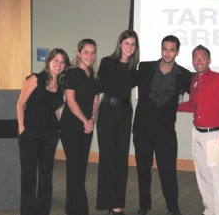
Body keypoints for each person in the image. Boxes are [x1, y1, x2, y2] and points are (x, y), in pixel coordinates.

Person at [132, 35, 191, 215]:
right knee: (143, 170)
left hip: (165, 131)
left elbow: (199, 96)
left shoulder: (184, 75)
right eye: (165, 49)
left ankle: (173, 208)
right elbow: (124, 81)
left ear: (177, 52)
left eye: (171, 49)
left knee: (168, 172)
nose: (167, 53)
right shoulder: (144, 68)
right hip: (142, 129)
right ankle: (144, 206)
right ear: (161, 49)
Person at [178, 44, 219, 215]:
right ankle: (211, 210)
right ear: (192, 61)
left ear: (209, 60)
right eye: (195, 58)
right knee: (203, 177)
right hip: (197, 134)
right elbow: (194, 106)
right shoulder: (195, 81)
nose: (198, 61)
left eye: (202, 57)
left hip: (215, 136)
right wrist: (176, 106)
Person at [17, 48, 70, 215]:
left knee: (46, 176)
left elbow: (54, 110)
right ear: (49, 61)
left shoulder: (60, 85)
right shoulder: (36, 79)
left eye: (62, 62)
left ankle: (42, 211)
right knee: (29, 177)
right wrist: (22, 128)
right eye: (56, 60)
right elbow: (20, 104)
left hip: (50, 135)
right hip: (30, 134)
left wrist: (58, 129)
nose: (59, 64)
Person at [96, 30, 140, 215]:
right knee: (107, 157)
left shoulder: (135, 70)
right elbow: (97, 87)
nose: (129, 47)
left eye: (133, 44)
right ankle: (111, 202)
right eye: (127, 43)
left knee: (121, 158)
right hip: (107, 112)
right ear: (120, 44)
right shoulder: (107, 62)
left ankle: (117, 202)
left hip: (124, 113)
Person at [60, 39, 99, 215]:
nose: (89, 56)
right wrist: (85, 120)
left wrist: (92, 119)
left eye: (92, 52)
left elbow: (95, 100)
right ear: (78, 53)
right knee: (74, 168)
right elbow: (70, 101)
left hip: (87, 126)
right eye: (86, 52)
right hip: (71, 126)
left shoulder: (94, 75)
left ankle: (79, 209)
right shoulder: (71, 73)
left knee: (81, 169)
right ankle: (73, 210)